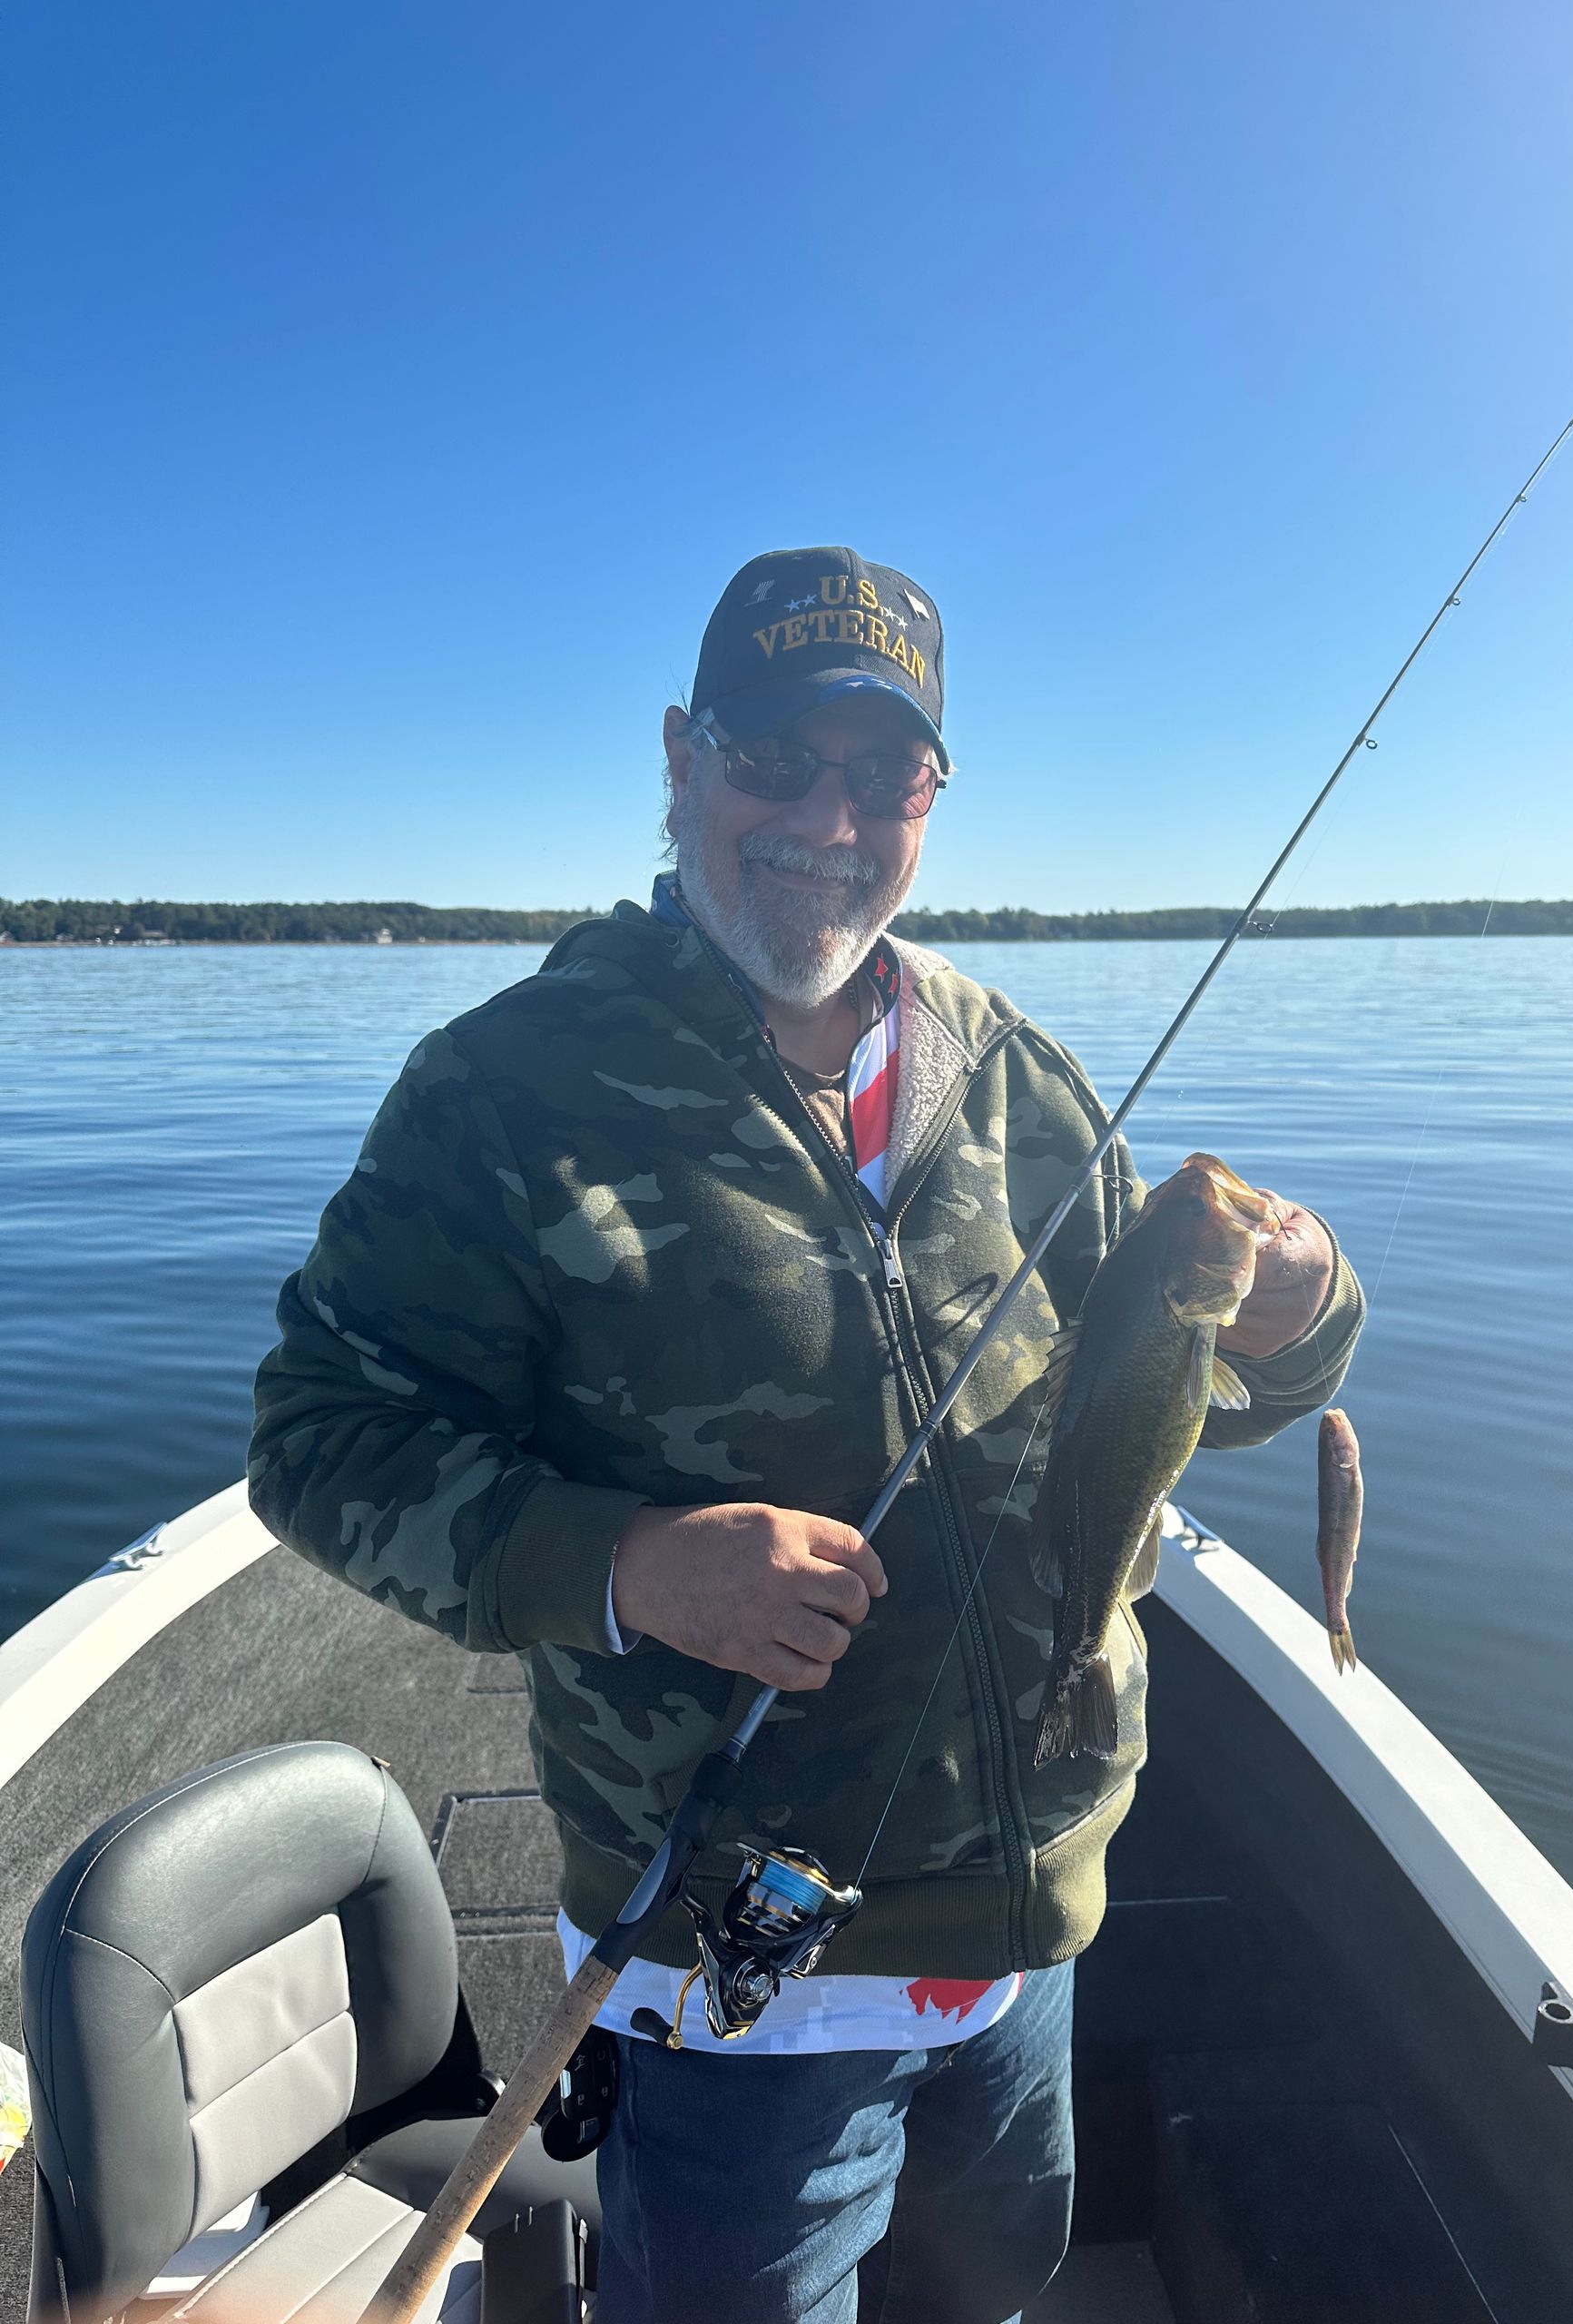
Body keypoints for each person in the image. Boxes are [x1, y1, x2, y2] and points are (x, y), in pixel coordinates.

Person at [250, 546, 1364, 2323]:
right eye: (776, 757)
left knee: (988, 2287)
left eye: (887, 773)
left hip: (1028, 1924)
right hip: (734, 1971)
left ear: (933, 796)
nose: (829, 819)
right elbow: (316, 1438)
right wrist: (631, 1563)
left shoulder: (1020, 1073)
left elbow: (1150, 1392)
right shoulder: (506, 1092)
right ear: (680, 756)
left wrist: (1300, 1325)